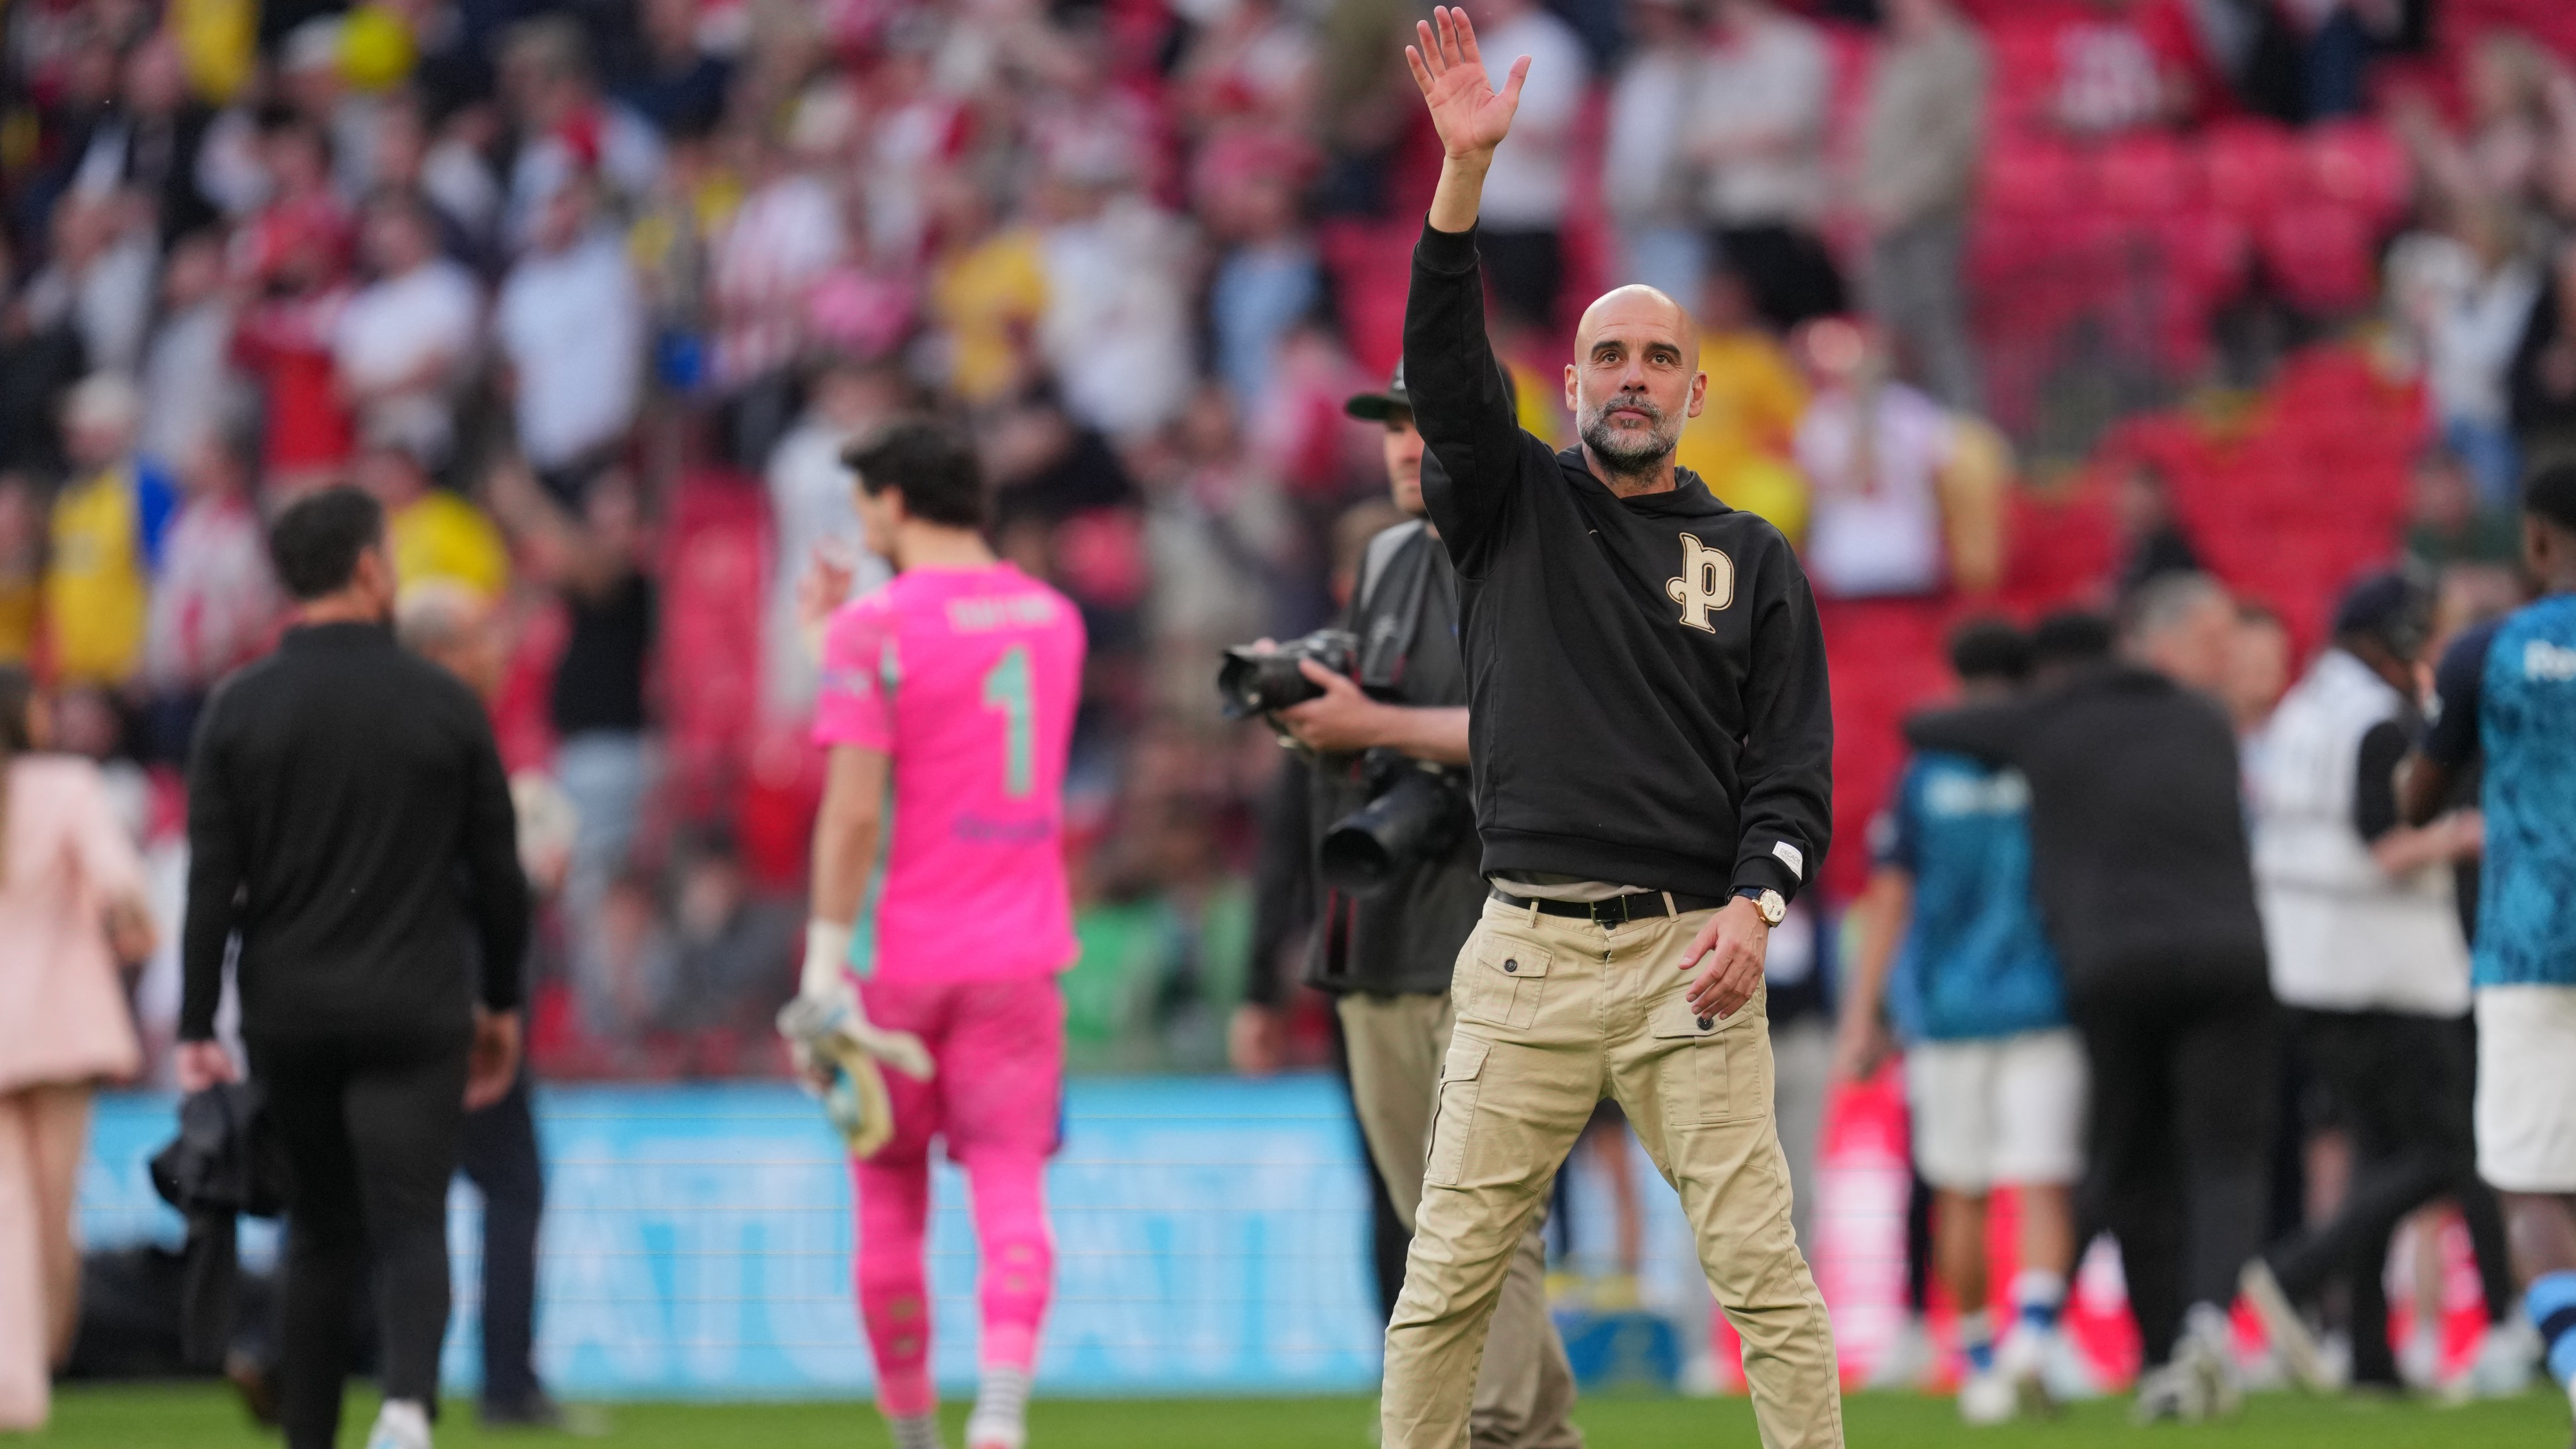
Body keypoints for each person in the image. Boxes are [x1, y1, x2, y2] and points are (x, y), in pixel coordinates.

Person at [1389, 15, 1842, 1447]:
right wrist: (1463, 182)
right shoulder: (1508, 500)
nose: (1632, 375)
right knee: (1448, 1277)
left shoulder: (1755, 555)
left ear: (1697, 390)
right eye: (1608, 355)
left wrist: (1757, 905)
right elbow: (1448, 369)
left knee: (1765, 1275)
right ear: (1571, 384)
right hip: (1524, 943)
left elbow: (1793, 772)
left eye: (1659, 356)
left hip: (1686, 953)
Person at [1232, 363, 1583, 1448]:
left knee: (1487, 1212)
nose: (1398, 445)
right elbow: (1367, 724)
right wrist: (1314, 712)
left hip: (1498, 927)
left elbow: (1547, 743)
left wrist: (1369, 728)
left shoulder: (1536, 561)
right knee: (1438, 1218)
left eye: (1422, 424)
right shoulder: (1383, 557)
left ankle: (1496, 1428)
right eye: (1389, 425)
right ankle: (1536, 1428)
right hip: (1374, 933)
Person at [176, 487, 530, 1449]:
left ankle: (309, 1436)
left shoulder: (239, 708)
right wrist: (501, 999)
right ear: (372, 568)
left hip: (288, 1008)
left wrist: (195, 1027)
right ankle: (408, 1409)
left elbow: (212, 886)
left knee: (320, 1229)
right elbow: (500, 877)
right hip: (417, 1003)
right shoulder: (443, 701)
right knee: (411, 1217)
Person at [1904, 572, 2275, 1423]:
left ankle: (2131, 1350)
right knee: (2224, 1156)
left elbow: (1924, 726)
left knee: (2127, 1160)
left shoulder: (2053, 720)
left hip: (2106, 970)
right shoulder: (2204, 720)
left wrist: (2025, 714)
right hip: (2225, 957)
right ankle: (2207, 1322)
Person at [793, 421, 1086, 1449]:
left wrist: (822, 965)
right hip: (1016, 954)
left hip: (894, 960)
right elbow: (969, 740)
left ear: (891, 504)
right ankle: (1000, 1413)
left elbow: (856, 809)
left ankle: (914, 1436)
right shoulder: (1055, 620)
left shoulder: (872, 629)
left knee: (886, 1194)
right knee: (1009, 1182)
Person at [2240, 570, 2527, 1396]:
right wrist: (2467, 832)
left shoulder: (2307, 705)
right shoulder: (2372, 720)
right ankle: (2295, 1270)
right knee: (2447, 1149)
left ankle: (2369, 1352)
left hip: (2315, 963)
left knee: (2380, 1154)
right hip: (2383, 968)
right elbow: (2383, 845)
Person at [1839, 620, 2084, 1424]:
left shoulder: (1923, 771)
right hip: (2043, 999)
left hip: (1944, 1011)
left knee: (1961, 1193)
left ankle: (1978, 1362)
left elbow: (1889, 894)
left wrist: (1863, 1010)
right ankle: (2037, 1335)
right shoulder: (2050, 760)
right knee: (2043, 1180)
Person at [2400, 463, 2576, 1434]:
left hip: (2526, 947)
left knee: (2533, 1187)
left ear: (2538, 540)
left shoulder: (2485, 651)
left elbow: (2414, 802)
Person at [393, 584, 586, 1431]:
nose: (498, 649)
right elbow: (464, 877)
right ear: (439, 653)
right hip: (464, 993)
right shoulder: (450, 735)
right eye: (479, 637)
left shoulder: (378, 734)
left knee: (385, 1192)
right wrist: (526, 875)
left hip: (379, 989)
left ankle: (317, 1357)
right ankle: (504, 1382)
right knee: (507, 1183)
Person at [0, 668, 156, 1430]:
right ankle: (38, 1372)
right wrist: (137, 921)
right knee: (53, 1213)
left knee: (7, 1209)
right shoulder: (66, 782)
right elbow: (115, 875)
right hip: (60, 1027)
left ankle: (14, 1370)